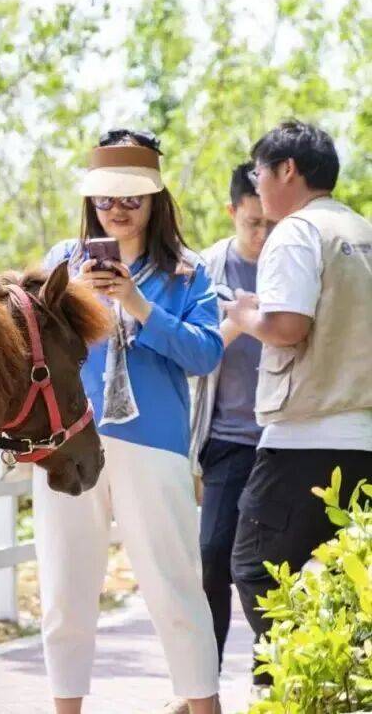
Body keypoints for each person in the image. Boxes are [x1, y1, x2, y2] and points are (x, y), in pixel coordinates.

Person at [38, 129, 222, 714]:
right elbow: (34, 345)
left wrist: (139, 305)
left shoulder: (187, 272)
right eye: (104, 198)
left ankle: (204, 706)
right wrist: (76, 298)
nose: (116, 210)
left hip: (153, 444)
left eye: (131, 198)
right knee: (64, 589)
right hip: (68, 440)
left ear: (155, 200)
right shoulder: (62, 263)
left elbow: (206, 354)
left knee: (175, 585)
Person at [224, 121, 372, 686]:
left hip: (306, 435)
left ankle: (289, 686)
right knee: (346, 577)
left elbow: (287, 327)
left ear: (288, 170)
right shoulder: (361, 230)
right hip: (364, 436)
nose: (256, 182)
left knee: (255, 568)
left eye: (259, 170)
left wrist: (245, 316)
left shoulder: (295, 231)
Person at [188, 163, 274, 667]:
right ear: (231, 213)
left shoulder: (294, 262)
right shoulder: (205, 270)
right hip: (225, 438)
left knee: (268, 567)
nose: (263, 234)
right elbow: (191, 353)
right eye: (252, 223)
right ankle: (205, 680)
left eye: (271, 223)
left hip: (282, 440)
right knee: (212, 556)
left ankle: (272, 678)